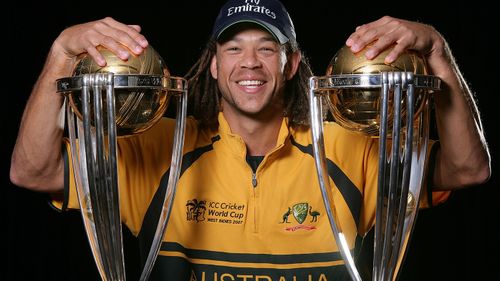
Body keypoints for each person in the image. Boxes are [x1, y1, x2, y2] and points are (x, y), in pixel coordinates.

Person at [10, 0, 491, 280]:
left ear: (293, 64)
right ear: (214, 65)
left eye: (267, 48)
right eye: (233, 48)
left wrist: (439, 55)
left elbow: (469, 169)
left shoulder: (349, 147)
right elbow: (32, 172)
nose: (250, 62)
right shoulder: (160, 148)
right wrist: (59, 55)